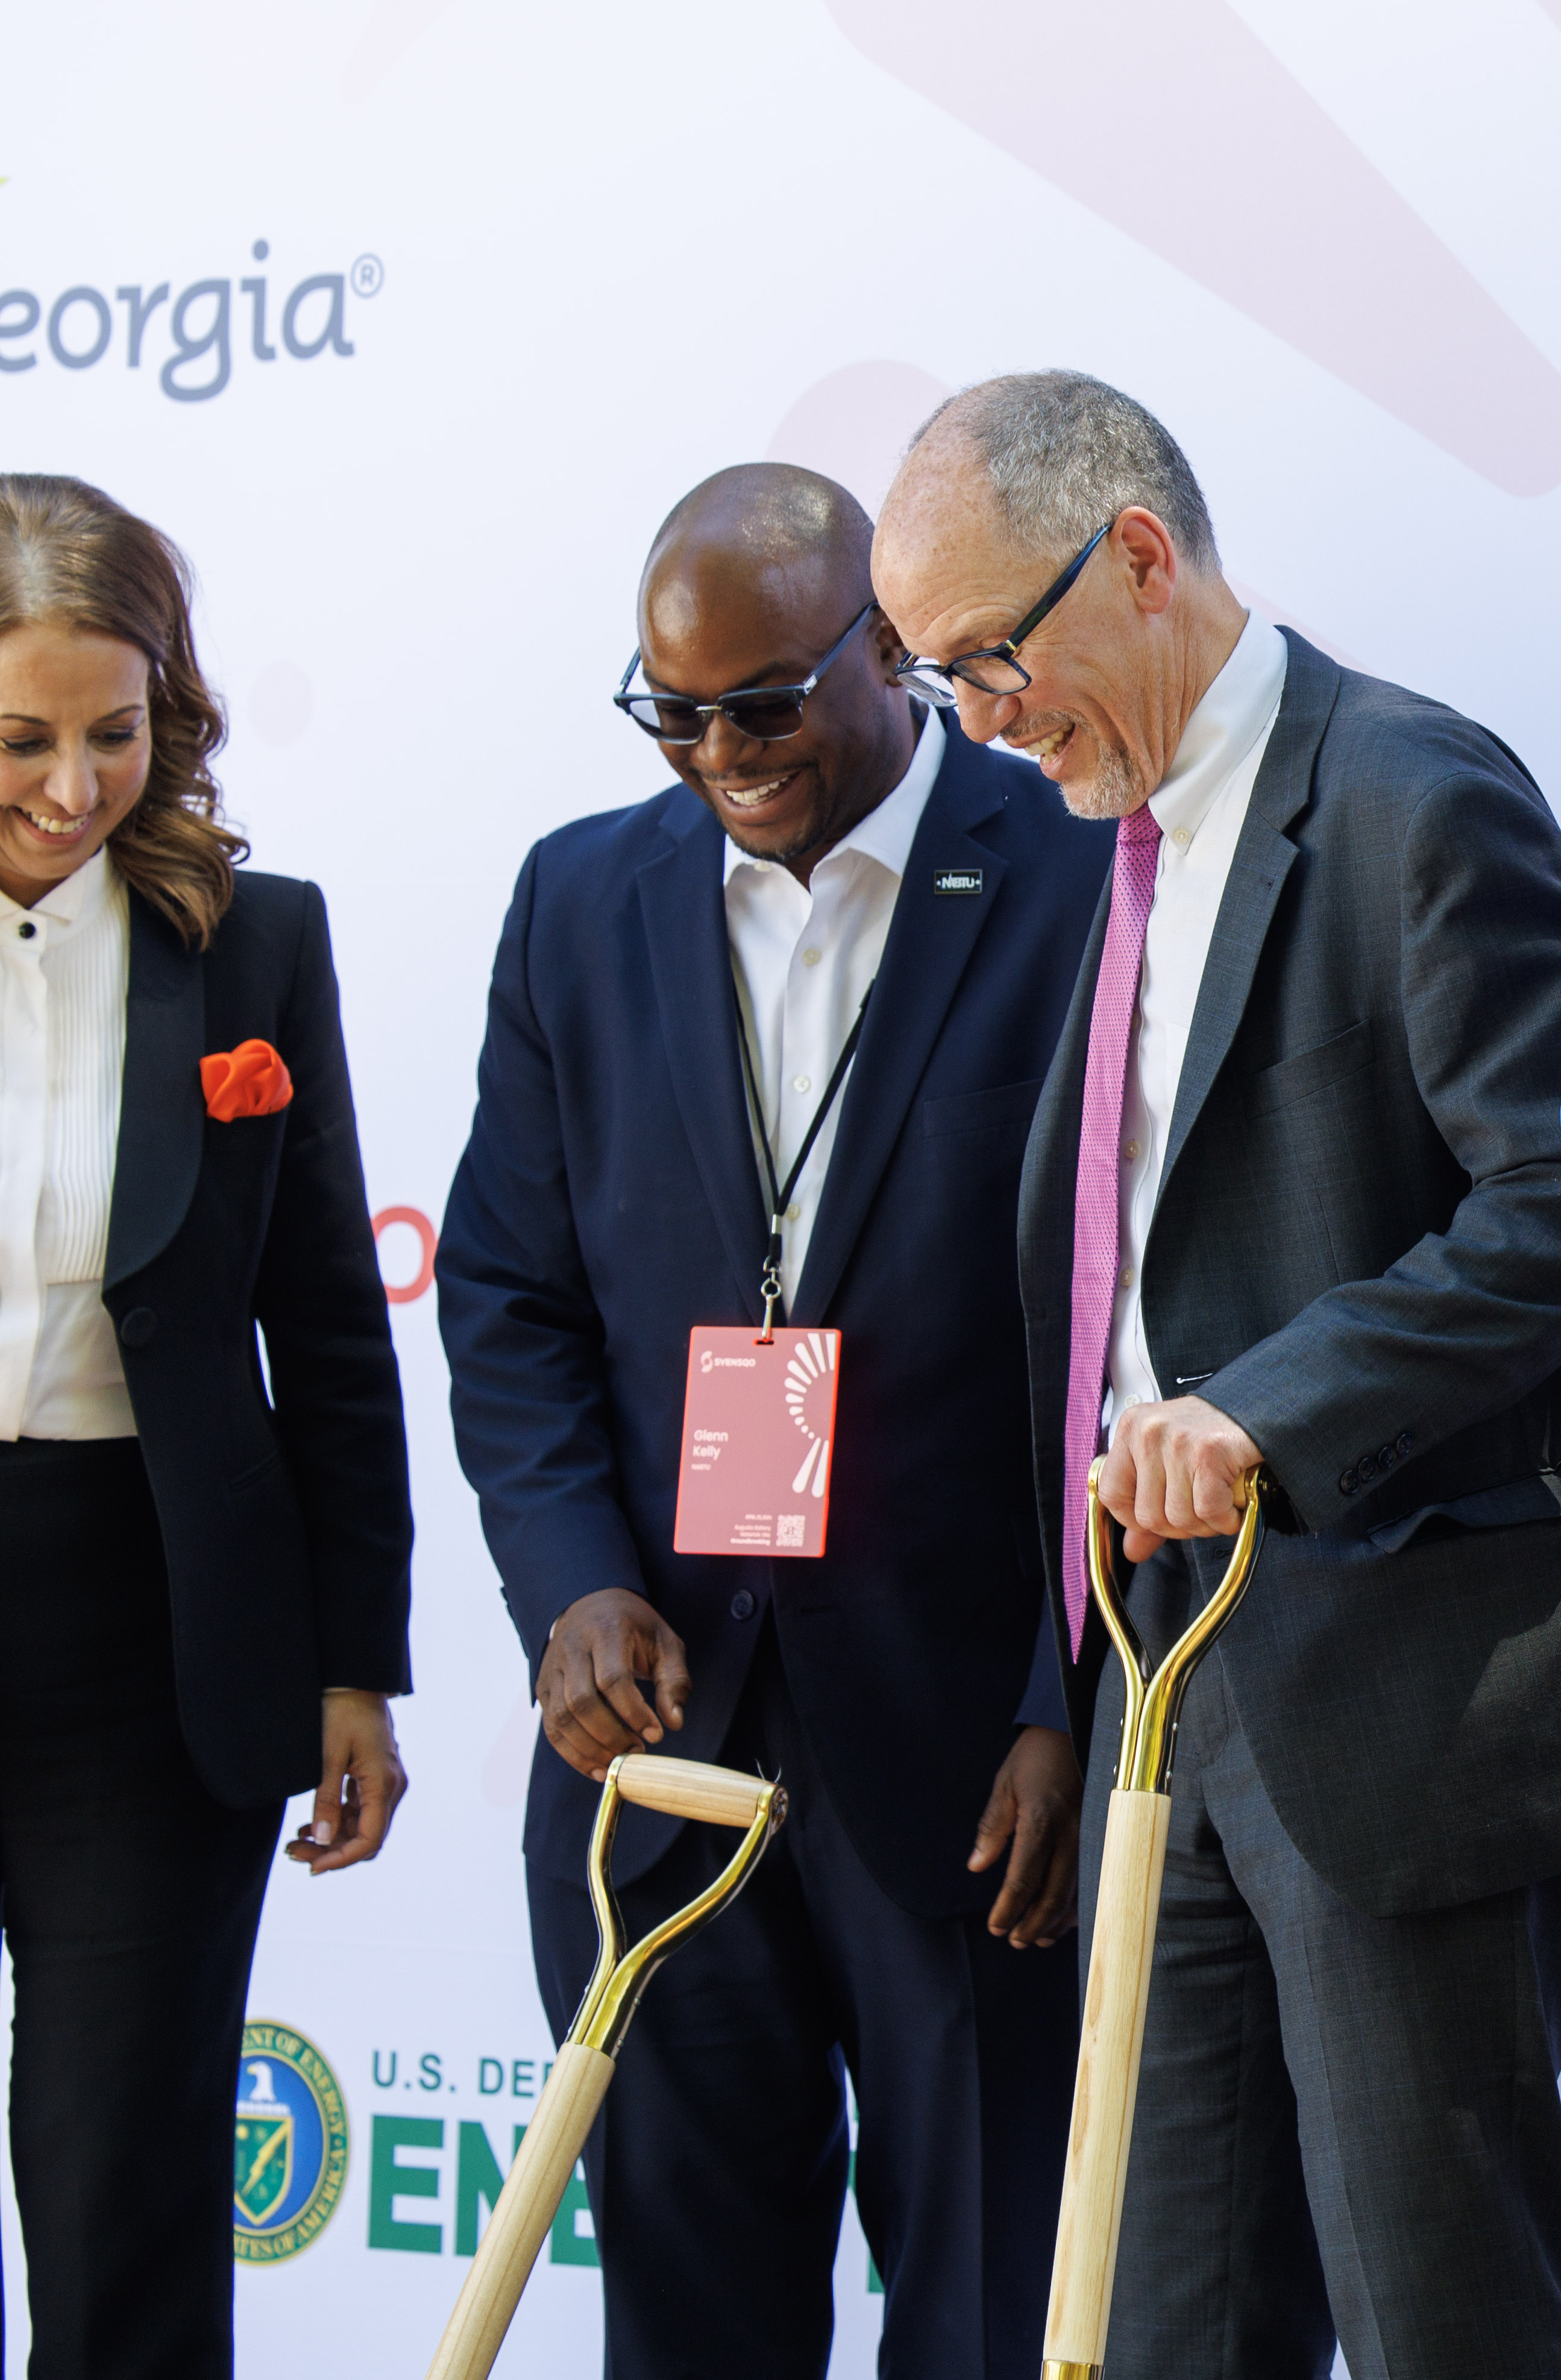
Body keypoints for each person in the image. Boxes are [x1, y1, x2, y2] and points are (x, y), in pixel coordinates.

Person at [868, 369, 1561, 2380]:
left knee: (1443, 2320)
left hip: (1401, 1674)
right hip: (1161, 1668)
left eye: (993, 662)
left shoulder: (1411, 793)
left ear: (1146, 557)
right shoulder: (1111, 846)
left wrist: (1272, 1407)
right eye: (942, 686)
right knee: (1169, 2312)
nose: (982, 725)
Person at [438, 464, 1112, 2378]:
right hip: (659, 1755)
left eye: (765, 703)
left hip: (981, 1764)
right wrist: (568, 1583)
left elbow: (1135, 1325)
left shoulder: (1077, 864)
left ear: (889, 643)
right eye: (674, 713)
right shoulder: (579, 897)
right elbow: (506, 1290)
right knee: (686, 2318)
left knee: (990, 2314)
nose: (719, 750)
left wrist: (1068, 1696)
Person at [0, 475, 410, 2378]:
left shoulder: (255, 945)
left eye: (115, 731)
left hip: (154, 1642)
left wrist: (355, 1666)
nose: (72, 787)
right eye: (21, 737)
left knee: (131, 2195)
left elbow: (328, 1324)